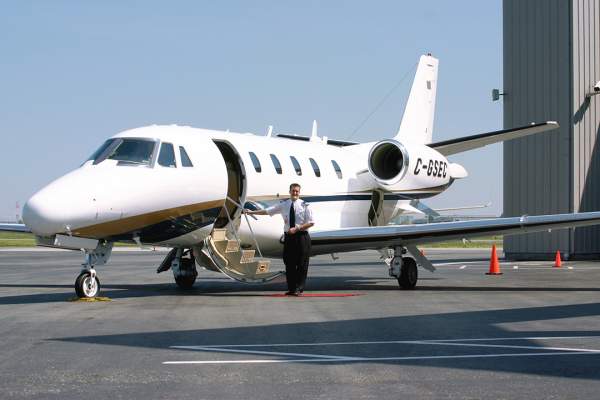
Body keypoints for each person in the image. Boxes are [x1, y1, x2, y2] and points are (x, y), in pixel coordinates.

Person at [244, 183, 314, 296]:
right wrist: (251, 212)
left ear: (299, 192)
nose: (295, 193)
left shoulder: (305, 205)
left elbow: (311, 222)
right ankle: (291, 289)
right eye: (293, 191)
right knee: (289, 263)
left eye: (297, 191)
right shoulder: (284, 205)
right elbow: (267, 211)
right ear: (289, 191)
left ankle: (299, 288)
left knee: (302, 264)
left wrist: (298, 228)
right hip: (289, 237)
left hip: (302, 237)